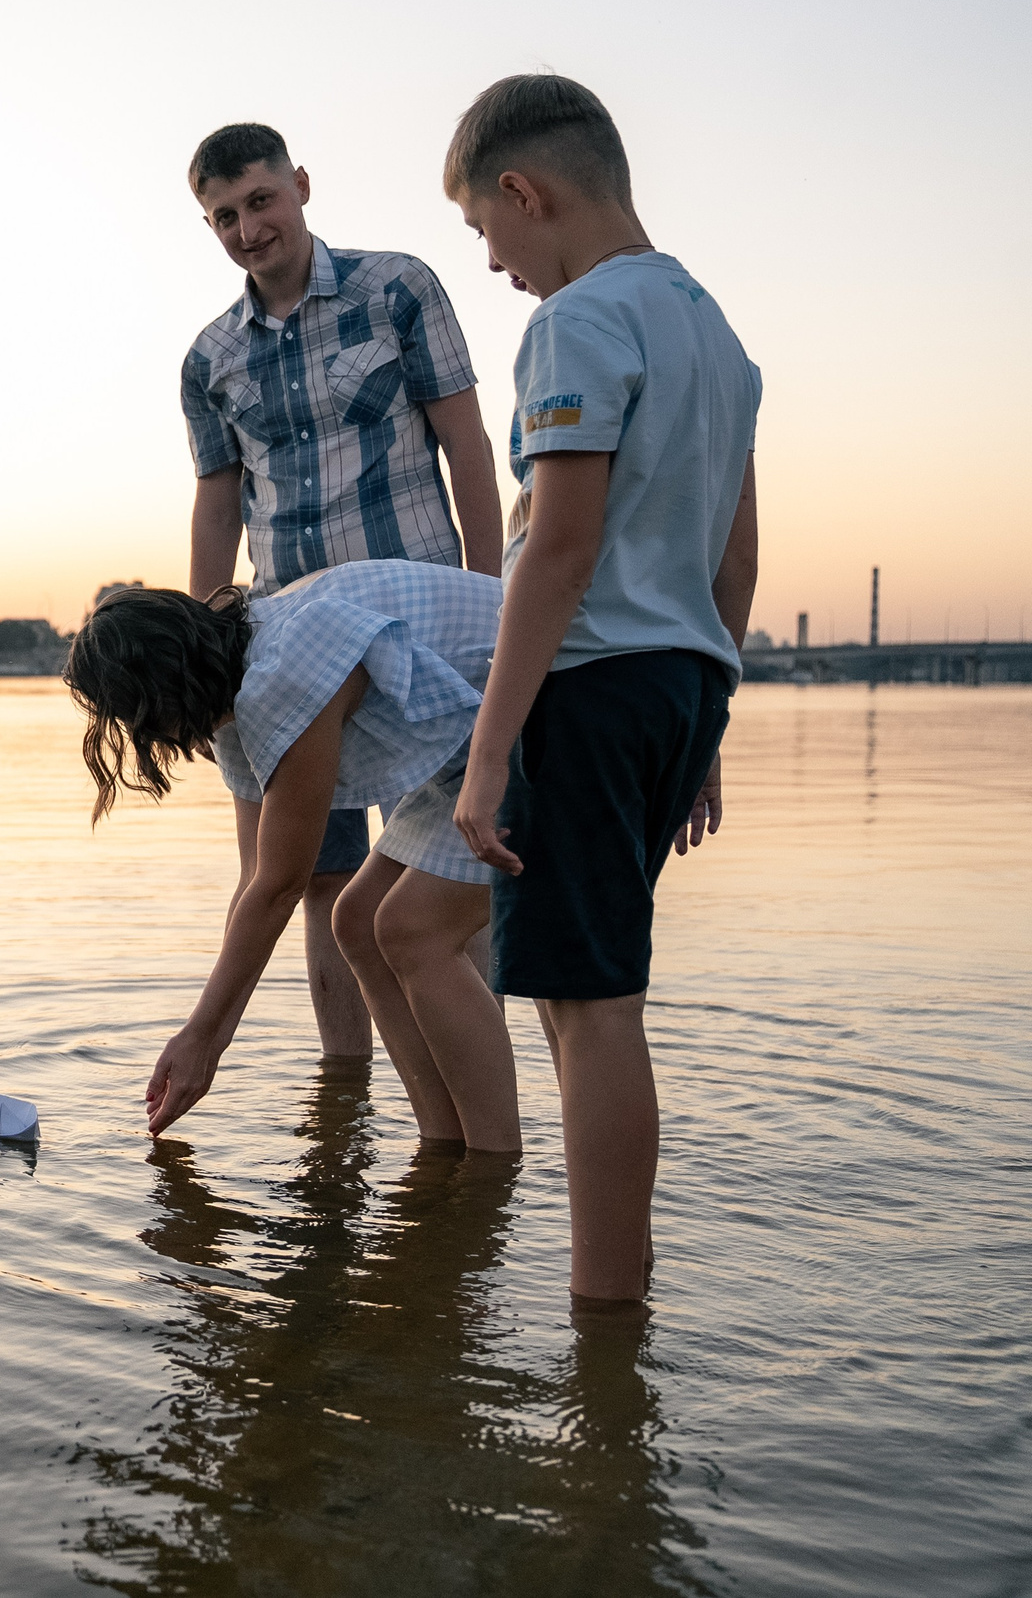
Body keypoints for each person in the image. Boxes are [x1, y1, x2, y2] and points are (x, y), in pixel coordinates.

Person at [443, 74, 760, 1306]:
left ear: (524, 192)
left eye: (483, 227)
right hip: (677, 682)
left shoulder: (576, 322)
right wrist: (708, 717)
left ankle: (603, 1325)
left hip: (585, 687)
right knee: (588, 991)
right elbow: (735, 556)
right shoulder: (712, 329)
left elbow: (559, 546)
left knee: (590, 1007)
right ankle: (621, 1276)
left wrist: (487, 750)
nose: (492, 262)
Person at [180, 123, 506, 1067]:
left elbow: (467, 446)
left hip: (415, 640)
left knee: (442, 877)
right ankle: (344, 1100)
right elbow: (217, 504)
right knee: (313, 882)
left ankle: (469, 1096)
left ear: (302, 186)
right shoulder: (208, 360)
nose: (248, 230)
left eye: (261, 201)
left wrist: (494, 599)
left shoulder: (397, 289)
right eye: (224, 217)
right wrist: (205, 650)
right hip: (287, 655)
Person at [64, 562, 518, 1152]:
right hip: (468, 750)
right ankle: (442, 1150)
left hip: (544, 710)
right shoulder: (239, 697)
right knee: (357, 920)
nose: (142, 732)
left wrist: (204, 1038)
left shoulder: (286, 668)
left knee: (413, 931)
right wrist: (206, 1033)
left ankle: (492, 1165)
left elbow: (281, 886)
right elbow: (256, 879)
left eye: (134, 714)